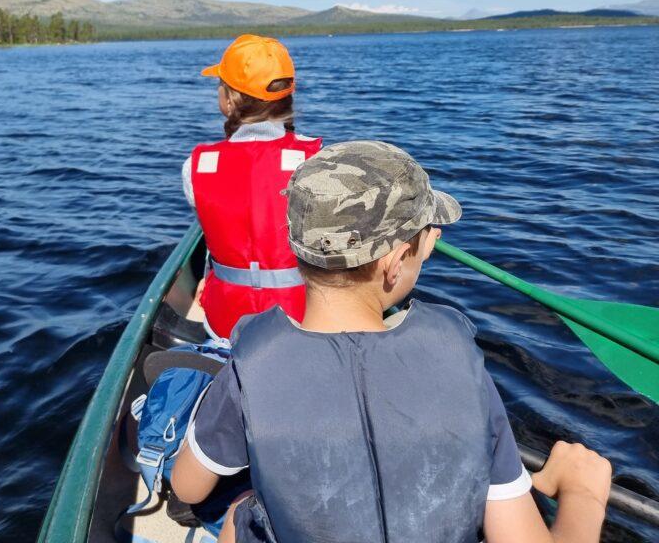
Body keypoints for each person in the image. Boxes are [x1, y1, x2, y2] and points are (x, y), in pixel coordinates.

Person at [172, 141, 612, 543]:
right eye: (427, 236)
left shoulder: (253, 361)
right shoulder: (456, 360)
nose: (434, 239)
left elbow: (188, 486)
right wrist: (584, 494)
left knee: (236, 518)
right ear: (396, 261)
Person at [184, 34, 322, 339]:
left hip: (225, 320)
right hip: (303, 316)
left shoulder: (196, 166)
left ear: (230, 99)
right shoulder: (316, 161)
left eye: (220, 85)